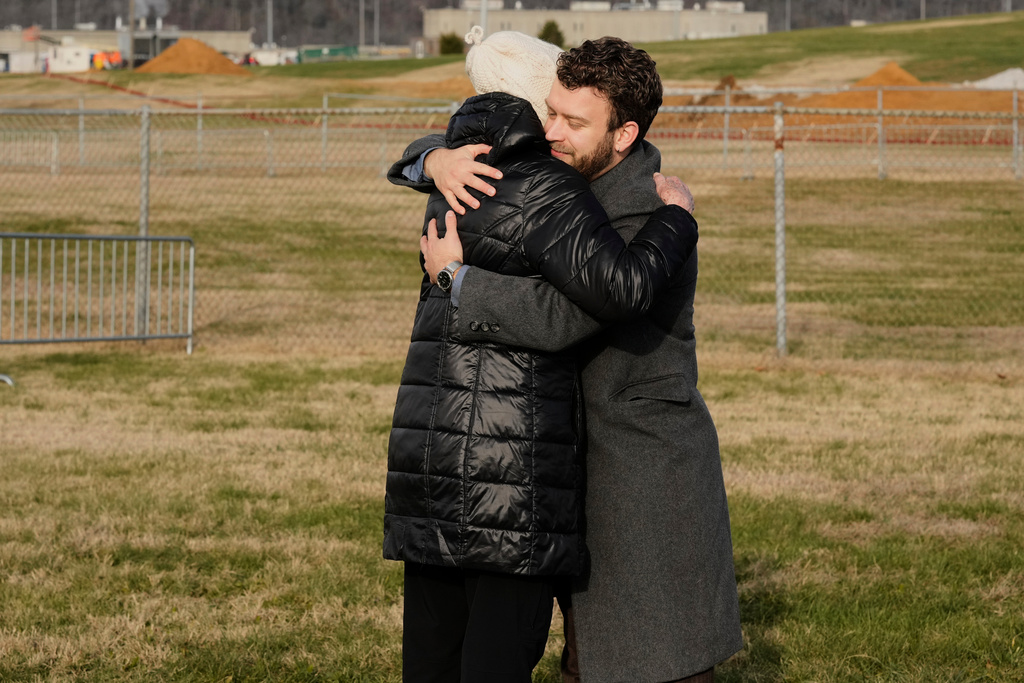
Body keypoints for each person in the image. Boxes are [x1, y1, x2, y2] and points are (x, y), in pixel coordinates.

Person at [405, 37, 743, 683]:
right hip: (569, 456)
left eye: (572, 121)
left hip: (638, 463)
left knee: (654, 658)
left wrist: (457, 279)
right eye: (550, 112)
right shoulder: (566, 182)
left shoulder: (644, 210)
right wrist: (435, 159)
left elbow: (564, 312)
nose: (551, 131)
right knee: (589, 654)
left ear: (624, 135)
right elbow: (468, 140)